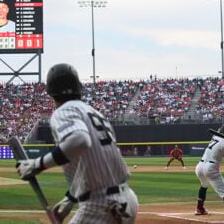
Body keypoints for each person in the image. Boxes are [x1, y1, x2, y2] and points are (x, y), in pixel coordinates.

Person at [16, 63, 138, 224]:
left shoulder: (64, 111)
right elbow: (89, 162)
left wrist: (36, 165)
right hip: (127, 199)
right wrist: (71, 199)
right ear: (78, 88)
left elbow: (80, 140)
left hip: (101, 205)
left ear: (51, 93)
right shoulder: (94, 113)